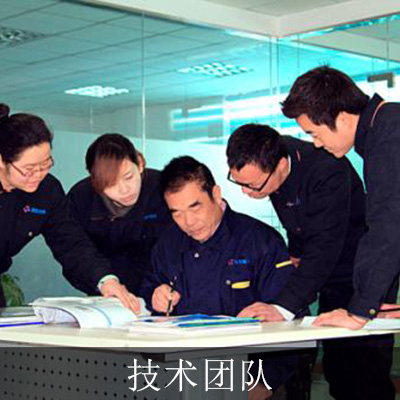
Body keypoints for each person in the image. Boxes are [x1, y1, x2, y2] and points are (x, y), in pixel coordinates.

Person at [226, 123, 395, 400]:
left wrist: (282, 307)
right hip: (329, 277)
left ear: (281, 165)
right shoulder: (271, 163)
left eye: (253, 185)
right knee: (338, 370)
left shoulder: (326, 171)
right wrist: (295, 257)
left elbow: (324, 246)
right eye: (239, 182)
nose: (246, 192)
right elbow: (299, 224)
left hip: (361, 274)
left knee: (366, 371)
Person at [142, 155, 304, 398]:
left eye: (195, 207)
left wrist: (264, 382)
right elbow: (149, 288)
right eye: (177, 213)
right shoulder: (167, 244)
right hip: (187, 377)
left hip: (252, 378)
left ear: (216, 195)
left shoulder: (260, 240)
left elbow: (292, 319)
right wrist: (154, 295)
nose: (188, 222)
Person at [281, 66, 400, 329]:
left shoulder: (389, 137)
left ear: (343, 118)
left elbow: (388, 225)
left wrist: (359, 311)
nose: (316, 143)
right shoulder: (388, 124)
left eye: (314, 133)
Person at [0, 104, 139, 311]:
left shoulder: (47, 191)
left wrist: (105, 280)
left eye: (45, 164)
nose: (38, 174)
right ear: (2, 160)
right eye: (29, 169)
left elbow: (71, 242)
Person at [67, 134, 171, 296]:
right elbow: (74, 253)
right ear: (95, 182)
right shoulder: (80, 199)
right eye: (111, 184)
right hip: (106, 295)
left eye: (128, 177)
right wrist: (102, 281)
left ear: (140, 163)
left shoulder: (164, 189)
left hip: (162, 292)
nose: (124, 190)